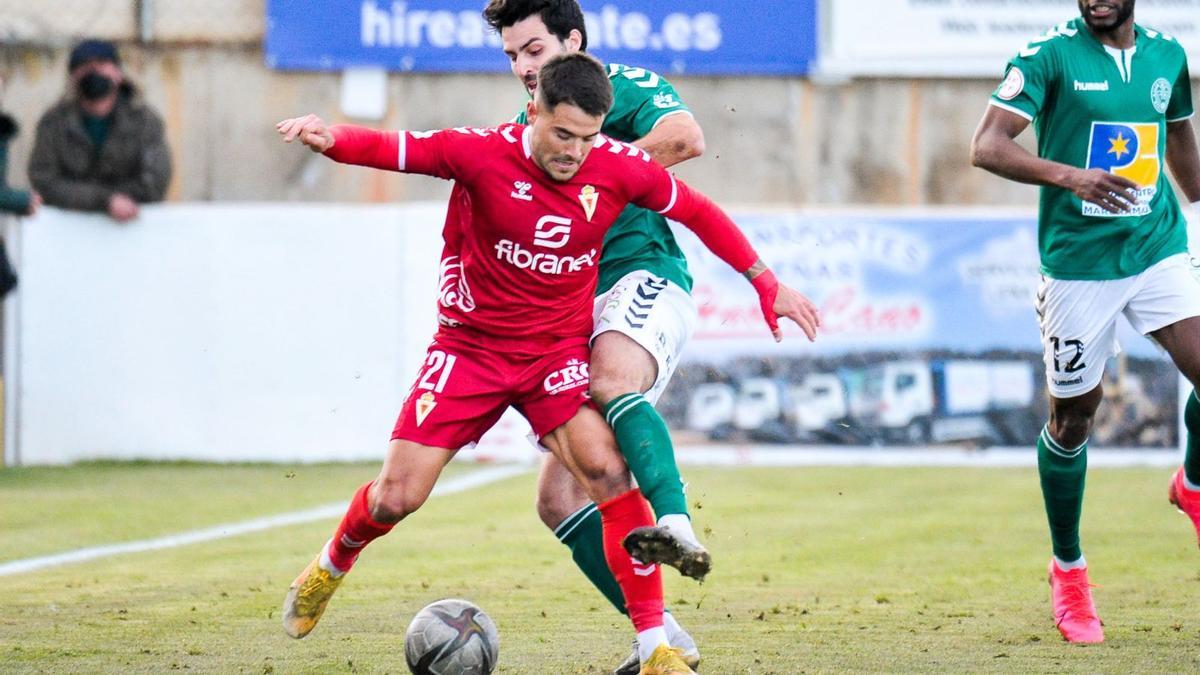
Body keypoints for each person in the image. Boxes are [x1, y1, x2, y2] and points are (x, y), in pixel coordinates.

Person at [277, 53, 818, 674]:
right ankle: (330, 565)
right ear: (533, 111)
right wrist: (331, 139)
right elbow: (392, 147)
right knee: (397, 497)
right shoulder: (479, 152)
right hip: (470, 352)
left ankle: (657, 649)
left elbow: (696, 211)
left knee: (609, 476)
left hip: (552, 359)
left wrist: (764, 280)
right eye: (562, 135)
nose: (574, 153)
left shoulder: (615, 164)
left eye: (588, 138)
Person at [459, 1, 726, 669]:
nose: (522, 66)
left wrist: (597, 179)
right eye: (513, 55)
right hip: (577, 312)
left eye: (533, 49)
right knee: (557, 497)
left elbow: (685, 136)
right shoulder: (529, 129)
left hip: (644, 278)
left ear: (573, 40)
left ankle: (675, 523)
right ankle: (663, 638)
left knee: (611, 380)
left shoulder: (621, 87)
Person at [971, 0, 1200, 644]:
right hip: (1077, 266)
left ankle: (1192, 483)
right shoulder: (1048, 55)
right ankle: (1068, 570)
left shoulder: (1167, 55)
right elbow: (985, 146)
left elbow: (1177, 133)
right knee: (1074, 418)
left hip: (1157, 248)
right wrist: (1071, 176)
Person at [28, 39, 171, 223]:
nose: (94, 71)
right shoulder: (54, 123)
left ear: (118, 73)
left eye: (102, 64)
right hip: (70, 228)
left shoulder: (144, 121)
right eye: (85, 65)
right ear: (72, 77)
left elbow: (155, 182)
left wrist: (117, 203)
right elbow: (44, 181)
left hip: (132, 227)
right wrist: (105, 201)